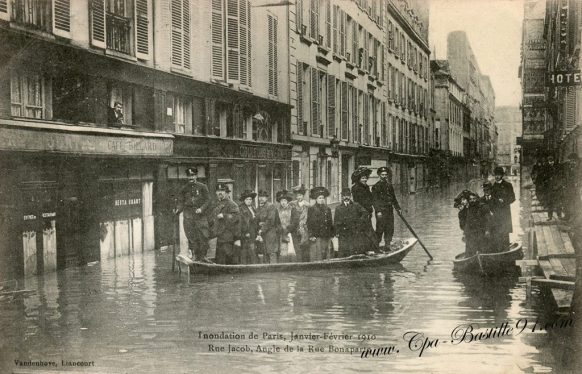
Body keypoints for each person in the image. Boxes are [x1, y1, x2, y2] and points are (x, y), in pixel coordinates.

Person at [174, 167, 210, 262]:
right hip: (188, 215)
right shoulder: (184, 189)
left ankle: (203, 256)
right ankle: (194, 255)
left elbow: (208, 200)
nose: (191, 177)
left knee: (203, 235)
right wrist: (177, 210)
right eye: (189, 176)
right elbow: (181, 202)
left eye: (193, 175)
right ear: (187, 177)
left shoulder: (202, 187)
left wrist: (201, 209)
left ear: (196, 176)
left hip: (200, 215)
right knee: (191, 236)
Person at [334, 188, 376, 257]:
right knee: (344, 250)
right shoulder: (338, 208)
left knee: (355, 249)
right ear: (342, 197)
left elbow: (365, 213)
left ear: (350, 196)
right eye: (344, 196)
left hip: (354, 231)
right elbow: (336, 221)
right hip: (343, 233)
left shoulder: (356, 205)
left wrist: (359, 221)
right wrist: (337, 232)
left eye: (348, 195)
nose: (346, 197)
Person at [209, 184, 241, 265]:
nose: (220, 193)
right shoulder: (216, 204)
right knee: (220, 260)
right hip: (218, 236)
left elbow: (236, 217)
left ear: (227, 193)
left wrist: (224, 216)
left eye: (222, 191)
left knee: (228, 260)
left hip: (227, 237)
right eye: (218, 191)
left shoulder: (232, 204)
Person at [372, 166, 402, 248]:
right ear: (379, 175)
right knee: (380, 229)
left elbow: (393, 198)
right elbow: (375, 201)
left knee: (389, 228)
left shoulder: (389, 185)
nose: (384, 176)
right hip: (381, 211)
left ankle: (387, 245)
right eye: (382, 174)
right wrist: (378, 211)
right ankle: (376, 246)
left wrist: (398, 208)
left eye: (386, 174)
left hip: (389, 210)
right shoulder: (376, 186)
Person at [490, 166, 516, 249]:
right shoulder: (493, 186)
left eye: (498, 175)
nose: (497, 177)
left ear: (502, 175)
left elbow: (513, 198)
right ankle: (498, 250)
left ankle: (506, 249)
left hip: (505, 213)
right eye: (496, 175)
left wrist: (504, 201)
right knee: (496, 231)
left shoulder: (508, 185)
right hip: (496, 213)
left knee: (505, 232)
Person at [306, 187, 334, 261]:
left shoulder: (327, 209)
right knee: (317, 255)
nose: (321, 199)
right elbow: (309, 223)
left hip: (326, 235)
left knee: (327, 254)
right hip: (317, 236)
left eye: (323, 198)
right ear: (316, 199)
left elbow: (330, 222)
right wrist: (311, 235)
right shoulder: (311, 209)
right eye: (319, 198)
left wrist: (331, 234)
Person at [256, 190, 280, 264]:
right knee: (265, 252)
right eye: (260, 197)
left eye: (263, 197)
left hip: (271, 233)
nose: (261, 198)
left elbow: (270, 221)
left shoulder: (271, 206)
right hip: (263, 233)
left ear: (266, 198)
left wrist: (262, 228)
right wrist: (259, 225)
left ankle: (274, 271)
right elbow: (256, 221)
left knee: (271, 252)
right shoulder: (258, 208)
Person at [464, 192, 488, 257]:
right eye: (471, 199)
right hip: (472, 231)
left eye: (474, 199)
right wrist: (465, 233)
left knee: (481, 246)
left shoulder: (482, 207)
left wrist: (487, 230)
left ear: (477, 199)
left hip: (480, 230)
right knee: (470, 247)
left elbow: (487, 220)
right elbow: (467, 222)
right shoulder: (469, 209)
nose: (472, 201)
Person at [276, 190, 298, 263]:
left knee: (291, 250)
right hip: (281, 233)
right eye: (281, 201)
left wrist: (288, 229)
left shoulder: (293, 209)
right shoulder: (277, 210)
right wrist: (281, 229)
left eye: (285, 200)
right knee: (282, 251)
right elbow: (276, 222)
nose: (283, 202)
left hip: (291, 233)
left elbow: (295, 221)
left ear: (287, 201)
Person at [290, 185, 309, 262]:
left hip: (305, 230)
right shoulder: (292, 205)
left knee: (305, 248)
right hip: (295, 230)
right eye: (297, 196)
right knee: (297, 249)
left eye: (300, 195)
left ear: (303, 196)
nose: (299, 197)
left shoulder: (308, 205)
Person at [480, 183, 502, 253]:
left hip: (495, 225)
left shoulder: (496, 201)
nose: (486, 191)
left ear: (491, 190)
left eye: (487, 190)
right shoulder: (480, 200)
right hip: (484, 226)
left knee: (495, 244)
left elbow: (499, 214)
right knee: (485, 244)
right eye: (484, 190)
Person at [239, 190, 258, 264]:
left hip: (253, 232)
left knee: (253, 250)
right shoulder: (241, 209)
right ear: (244, 200)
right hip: (246, 233)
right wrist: (245, 232)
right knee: (245, 251)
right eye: (247, 199)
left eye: (250, 199)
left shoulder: (253, 208)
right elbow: (241, 222)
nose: (249, 201)